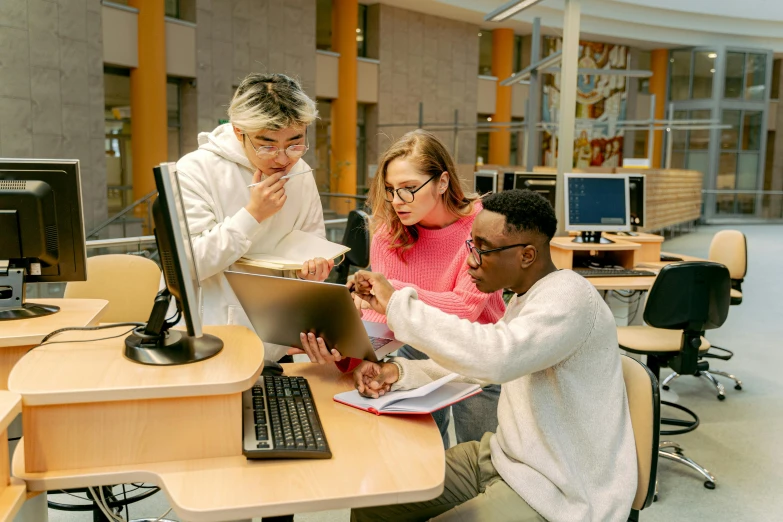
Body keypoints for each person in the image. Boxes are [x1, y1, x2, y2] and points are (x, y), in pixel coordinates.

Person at [345, 190, 637, 522]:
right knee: (374, 499)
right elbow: (478, 368)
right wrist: (399, 373)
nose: (471, 260)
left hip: (559, 489)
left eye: (484, 249)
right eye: (471, 245)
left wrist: (398, 304)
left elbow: (496, 358)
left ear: (527, 255)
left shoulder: (569, 298)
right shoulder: (527, 298)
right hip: (504, 458)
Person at [300, 129, 506, 448]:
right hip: (415, 345)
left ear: (442, 182)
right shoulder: (388, 232)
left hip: (477, 350)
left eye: (409, 189)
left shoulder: (484, 227)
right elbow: (381, 315)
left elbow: (466, 309)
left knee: (481, 456)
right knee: (417, 456)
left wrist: (392, 294)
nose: (397, 201)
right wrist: (354, 354)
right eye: (391, 190)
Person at [176, 73, 333, 363]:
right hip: (210, 339)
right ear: (238, 131)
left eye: (295, 143)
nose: (283, 158)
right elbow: (189, 264)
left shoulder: (301, 172)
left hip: (277, 339)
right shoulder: (195, 170)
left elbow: (313, 242)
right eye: (268, 145)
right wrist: (253, 215)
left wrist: (313, 270)